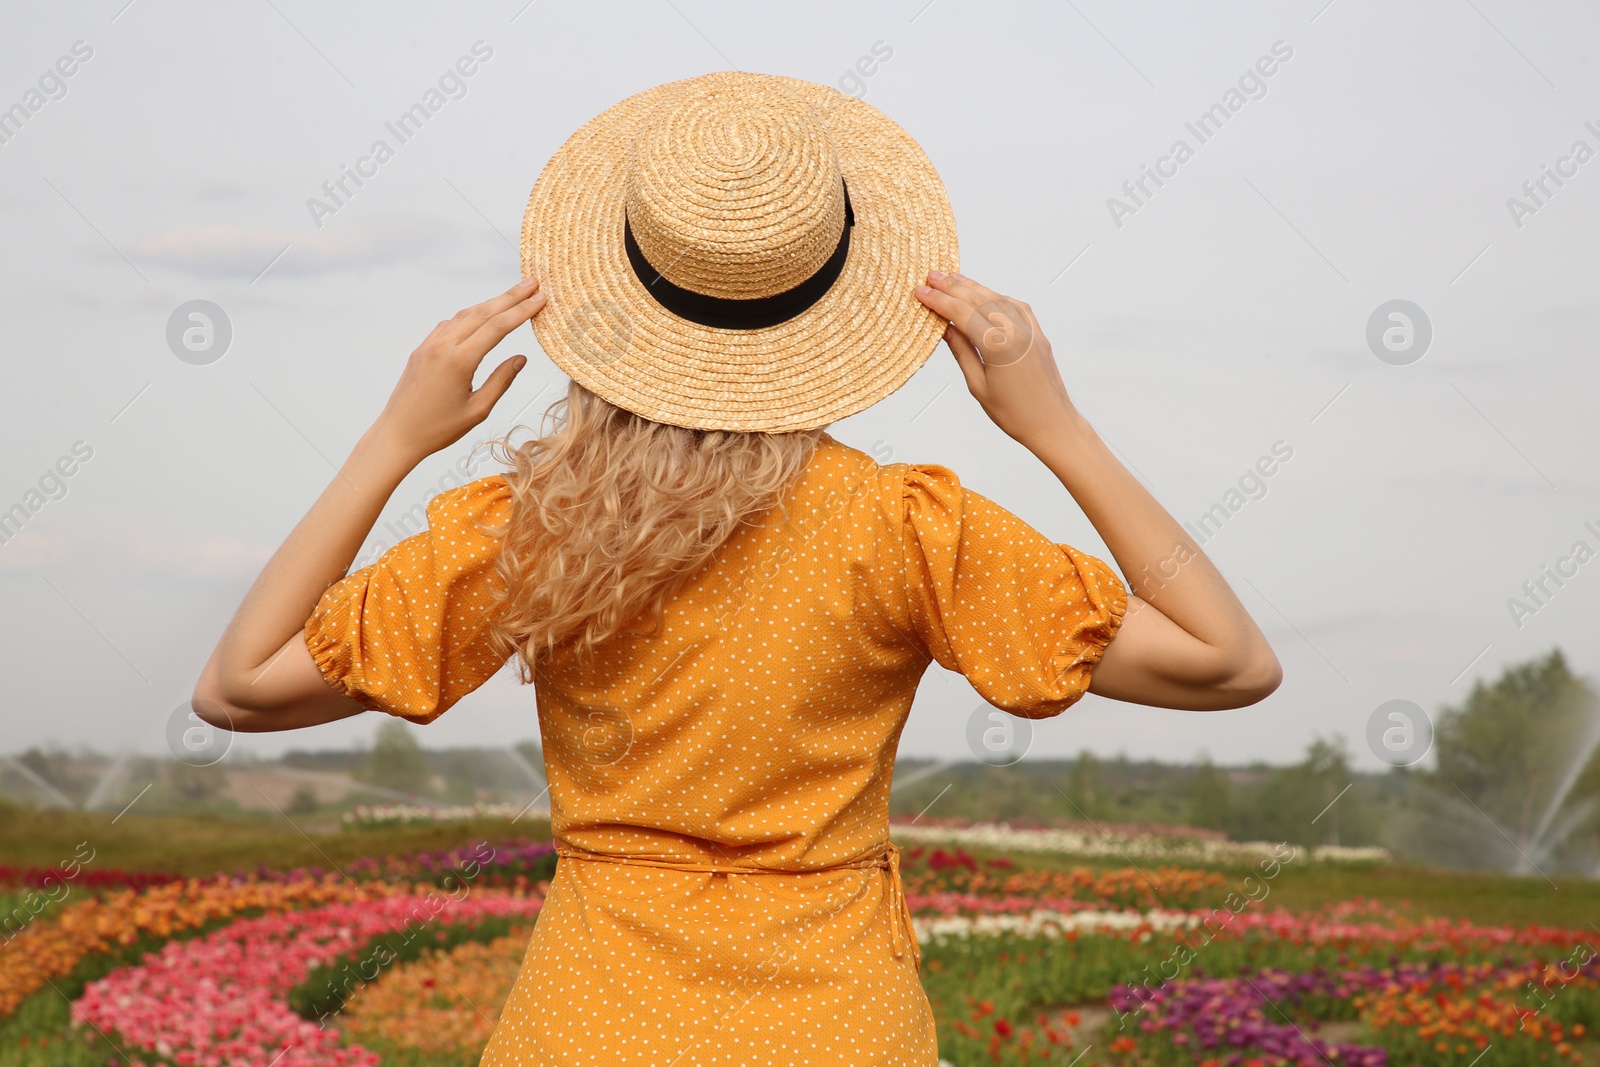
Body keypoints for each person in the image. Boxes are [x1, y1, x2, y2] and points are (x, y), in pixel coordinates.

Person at [194, 72, 1279, 1065]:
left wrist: (392, 437)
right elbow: (1226, 662)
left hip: (584, 1028)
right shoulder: (902, 525)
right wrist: (1058, 428)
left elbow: (236, 689)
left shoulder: (534, 528)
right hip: (836, 1027)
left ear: (612, 291)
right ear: (835, 297)